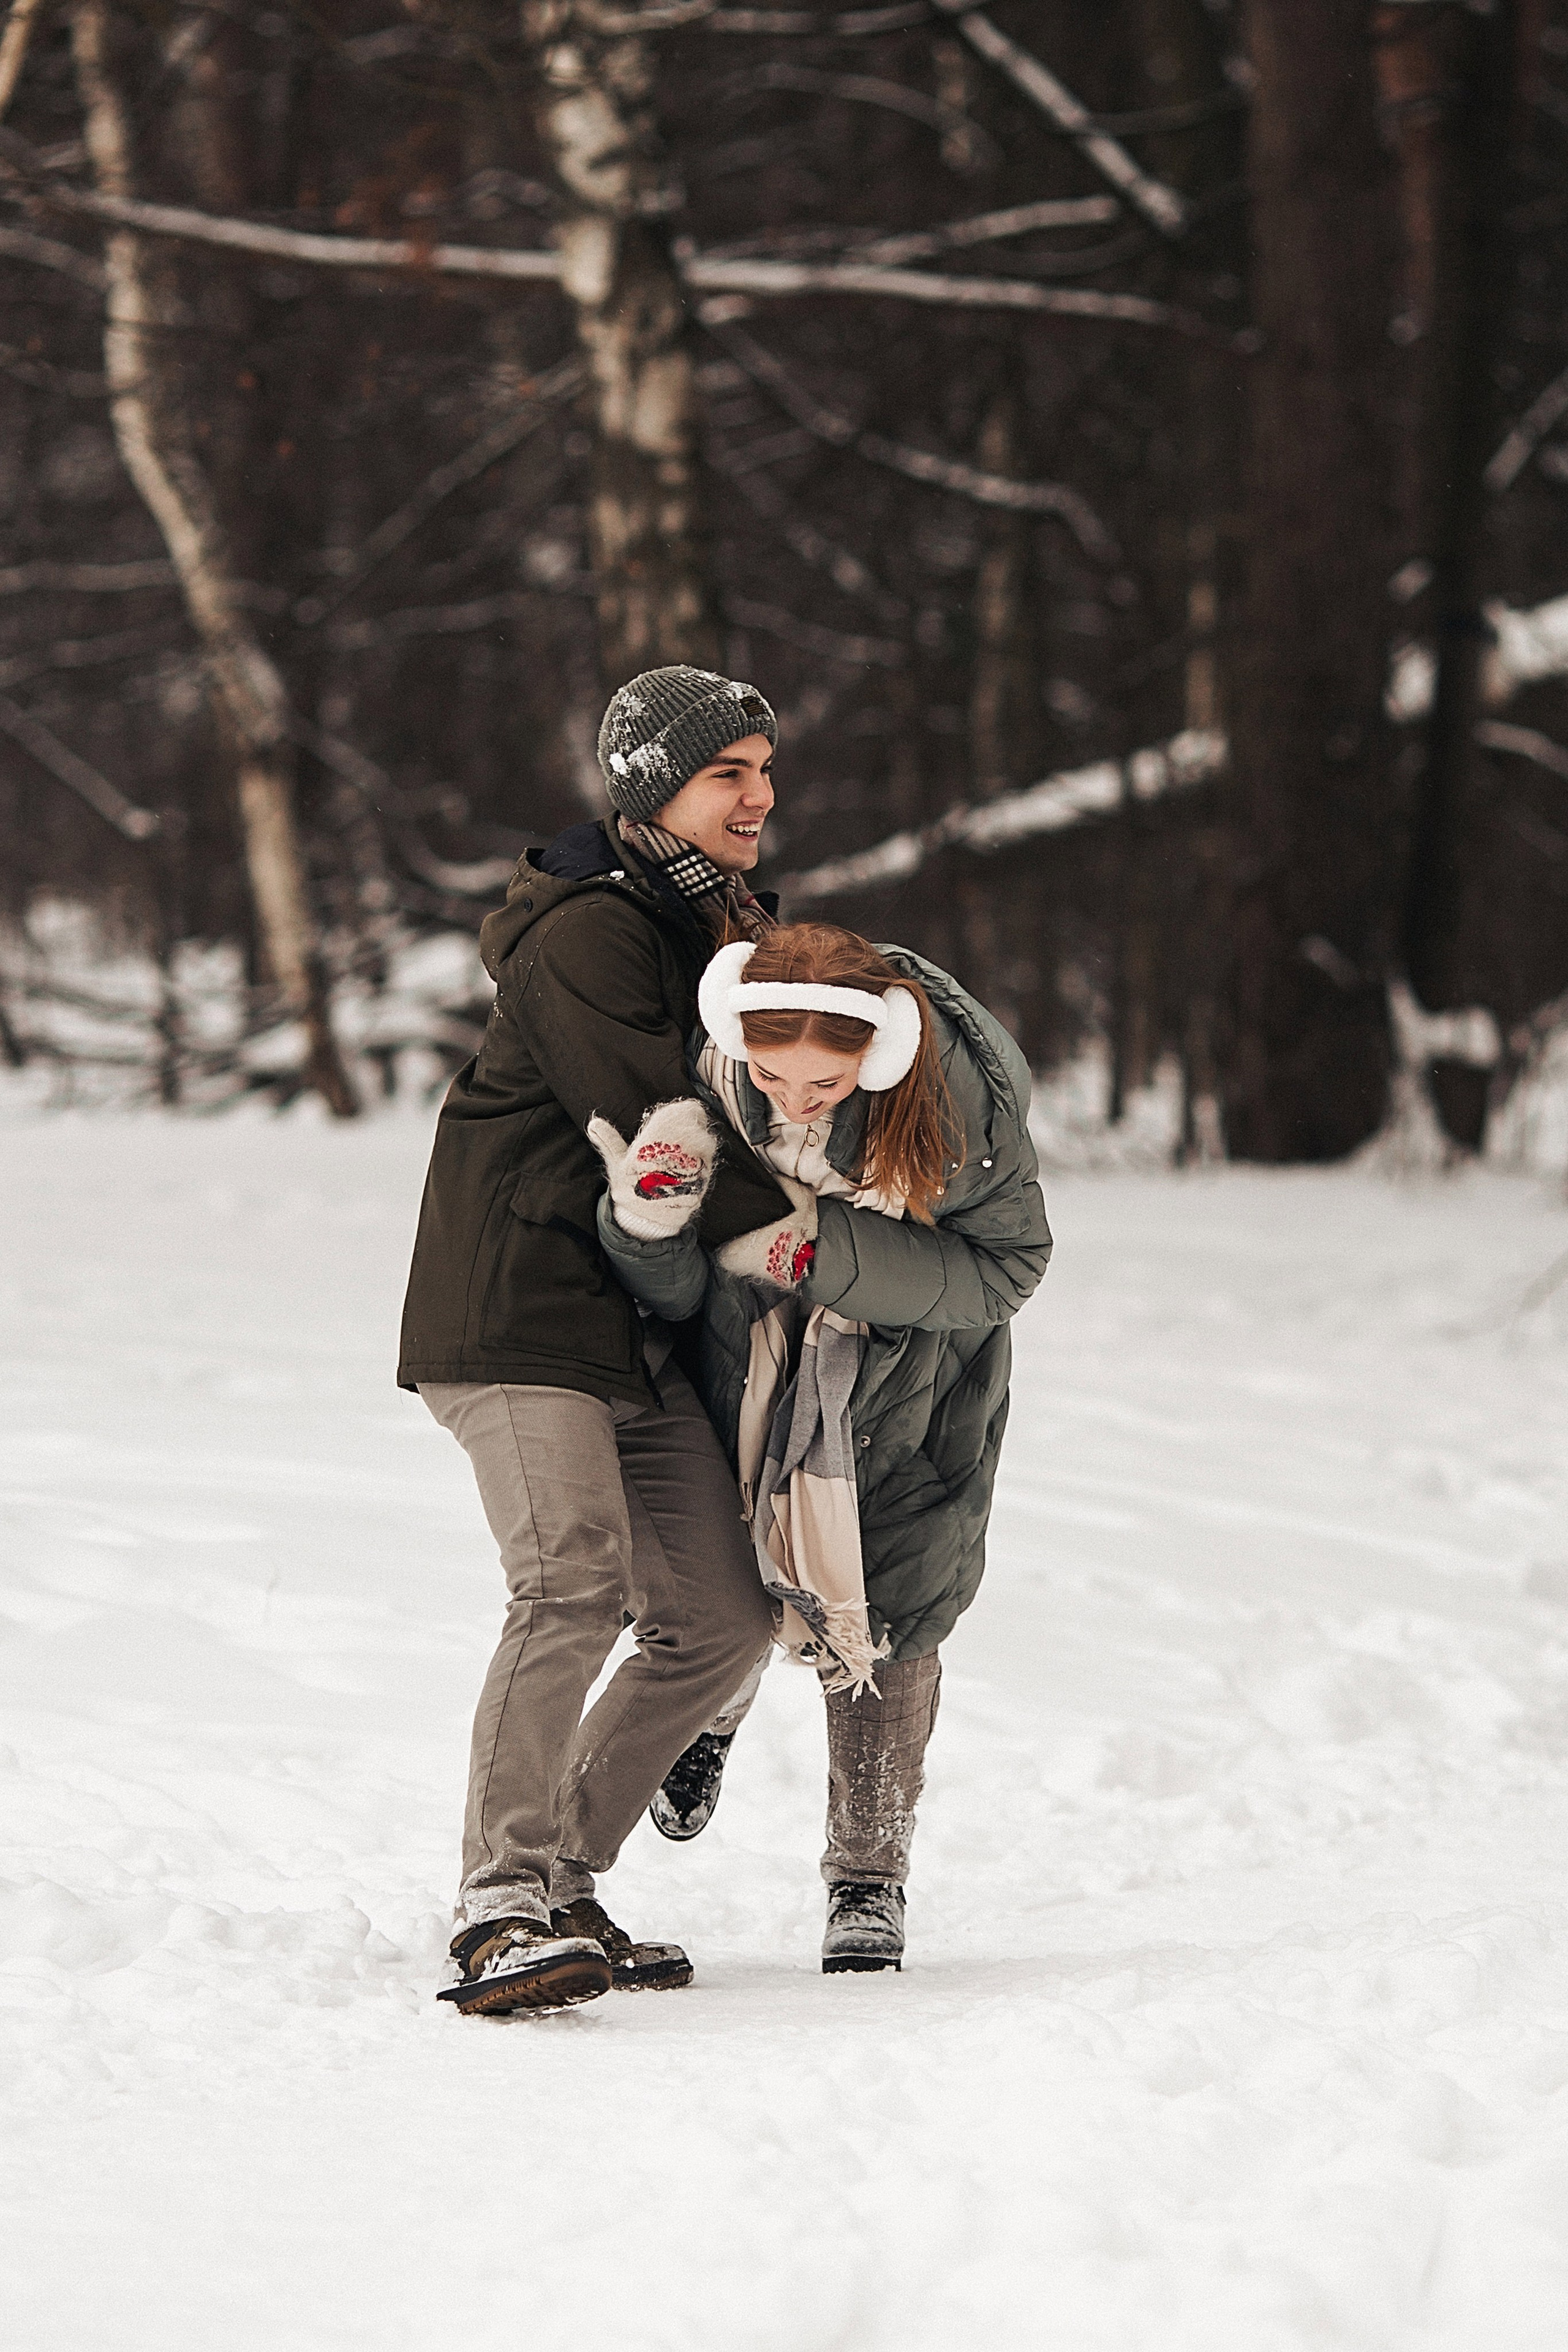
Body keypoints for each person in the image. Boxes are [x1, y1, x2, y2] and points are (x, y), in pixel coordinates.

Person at [398, 665, 797, 2017]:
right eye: (724, 774)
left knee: (721, 1617)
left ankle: (566, 1878)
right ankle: (499, 1905)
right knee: (568, 1580)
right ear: (652, 792)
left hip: (627, 1325)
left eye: (760, 768)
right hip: (513, 1307)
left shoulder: (711, 935)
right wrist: (793, 1242)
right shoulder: (588, 932)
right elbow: (654, 1119)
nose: (757, 795)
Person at [588, 920, 1052, 1972]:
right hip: (738, 1360)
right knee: (724, 1571)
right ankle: (708, 1716)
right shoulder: (711, 1086)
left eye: (828, 1083)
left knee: (889, 1613)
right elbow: (688, 1281)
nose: (795, 1102)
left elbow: (1010, 1268)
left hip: (911, 1388)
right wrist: (648, 1229)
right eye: (774, 1074)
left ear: (877, 1055)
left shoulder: (952, 1107)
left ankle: (868, 1878)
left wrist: (812, 1249)